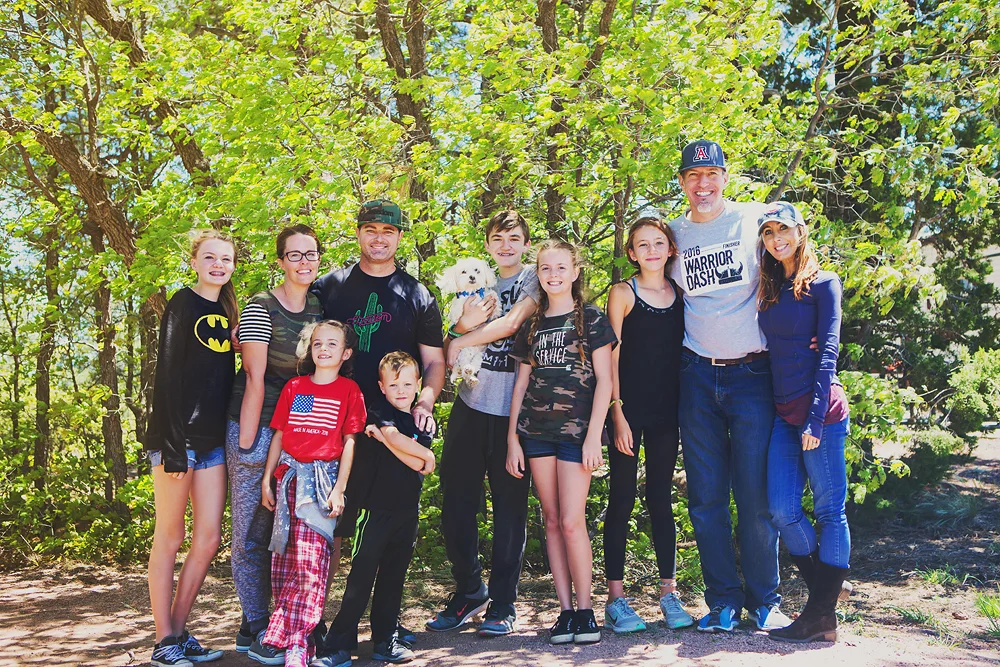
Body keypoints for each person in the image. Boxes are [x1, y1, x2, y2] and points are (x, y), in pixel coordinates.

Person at [667, 140, 790, 632]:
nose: (703, 184)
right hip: (696, 375)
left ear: (724, 176)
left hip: (753, 375)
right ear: (682, 182)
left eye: (711, 174)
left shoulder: (755, 219)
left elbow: (799, 262)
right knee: (706, 498)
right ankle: (721, 602)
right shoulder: (673, 235)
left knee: (755, 497)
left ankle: (765, 603)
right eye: (693, 176)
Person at [311, 199, 444, 646]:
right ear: (358, 233)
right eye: (370, 229)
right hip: (335, 423)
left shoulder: (417, 294)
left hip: (392, 428)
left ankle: (384, 623)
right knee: (328, 528)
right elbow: (301, 336)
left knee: (386, 534)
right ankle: (313, 622)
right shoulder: (330, 287)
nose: (379, 238)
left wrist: (424, 402)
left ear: (400, 237)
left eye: (388, 231)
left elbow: (434, 361)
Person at [428, 210, 540, 636]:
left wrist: (459, 340)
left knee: (510, 512)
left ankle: (504, 603)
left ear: (525, 243)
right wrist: (459, 329)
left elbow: (511, 324)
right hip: (470, 406)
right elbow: (448, 345)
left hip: (515, 413)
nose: (506, 246)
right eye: (498, 239)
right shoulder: (474, 283)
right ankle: (470, 590)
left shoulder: (533, 278)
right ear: (489, 244)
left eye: (514, 238)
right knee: (456, 505)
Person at [506, 239, 617, 645]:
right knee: (551, 521)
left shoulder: (591, 318)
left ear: (575, 271)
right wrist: (512, 439)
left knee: (572, 521)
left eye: (560, 268)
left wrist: (594, 437)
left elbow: (605, 380)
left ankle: (586, 612)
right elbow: (521, 384)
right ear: (538, 274)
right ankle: (565, 612)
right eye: (545, 268)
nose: (553, 275)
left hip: (576, 434)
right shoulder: (533, 324)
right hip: (536, 433)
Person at [226, 225, 324, 664]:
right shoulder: (261, 307)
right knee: (250, 530)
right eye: (294, 255)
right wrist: (249, 447)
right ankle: (254, 621)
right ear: (280, 261)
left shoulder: (318, 307)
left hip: (294, 433)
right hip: (256, 426)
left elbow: (306, 382)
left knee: (284, 532)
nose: (304, 262)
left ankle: (282, 618)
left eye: (311, 254)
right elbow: (255, 378)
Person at [755, 202, 852, 643]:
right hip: (783, 413)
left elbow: (828, 352)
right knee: (782, 509)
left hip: (821, 413)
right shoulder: (771, 287)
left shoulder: (824, 283)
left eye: (784, 229)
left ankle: (818, 616)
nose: (777, 239)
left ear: (800, 232)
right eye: (769, 232)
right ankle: (825, 603)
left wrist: (814, 421)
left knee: (830, 511)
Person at [145, 229, 238, 666]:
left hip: (213, 442)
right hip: (176, 441)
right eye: (210, 257)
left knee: (209, 538)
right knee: (170, 535)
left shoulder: (228, 311)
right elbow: (166, 374)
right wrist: (173, 444)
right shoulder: (182, 303)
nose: (218, 265)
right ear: (195, 262)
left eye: (226, 259)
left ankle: (178, 632)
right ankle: (163, 640)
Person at [315, 352, 437, 667]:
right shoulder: (379, 410)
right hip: (374, 512)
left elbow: (417, 464)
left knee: (393, 580)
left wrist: (419, 454)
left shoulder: (422, 421)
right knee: (361, 578)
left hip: (406, 514)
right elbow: (399, 440)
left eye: (407, 384)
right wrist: (412, 450)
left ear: (418, 385)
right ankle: (338, 645)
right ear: (382, 387)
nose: (401, 390)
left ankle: (385, 640)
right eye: (393, 384)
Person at [602, 217, 694, 633]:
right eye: (643, 244)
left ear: (670, 249)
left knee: (660, 498)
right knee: (621, 498)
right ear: (631, 253)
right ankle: (616, 599)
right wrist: (617, 411)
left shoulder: (680, 293)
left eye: (659, 243)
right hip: (627, 409)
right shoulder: (623, 292)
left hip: (666, 412)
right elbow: (612, 356)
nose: (652, 250)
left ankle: (669, 594)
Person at [258, 320, 366, 667]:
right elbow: (279, 435)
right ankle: (285, 633)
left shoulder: (349, 390)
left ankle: (299, 642)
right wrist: (267, 480)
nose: (324, 349)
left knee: (311, 563)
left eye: (333, 344)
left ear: (345, 353)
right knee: (286, 561)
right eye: (318, 343)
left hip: (322, 484)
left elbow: (349, 442)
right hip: (289, 480)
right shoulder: (296, 387)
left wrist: (339, 489)